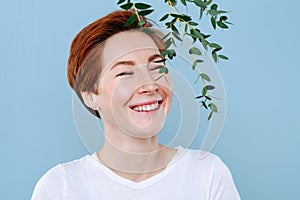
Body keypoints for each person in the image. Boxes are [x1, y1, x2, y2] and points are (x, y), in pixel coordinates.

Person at [31, 10, 241, 199]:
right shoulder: (60, 187)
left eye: (157, 67)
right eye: (125, 72)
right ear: (89, 96)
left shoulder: (208, 174)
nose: (150, 85)